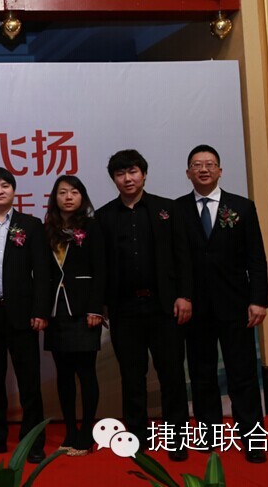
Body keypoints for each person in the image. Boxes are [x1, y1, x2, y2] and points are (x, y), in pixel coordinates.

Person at [96, 149, 192, 462]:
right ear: (114, 179)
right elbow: (100, 266)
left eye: (133, 171)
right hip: (124, 309)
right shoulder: (104, 216)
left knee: (172, 375)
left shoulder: (168, 209)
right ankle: (137, 437)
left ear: (144, 174)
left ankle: (176, 438)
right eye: (120, 174)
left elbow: (183, 256)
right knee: (132, 376)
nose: (127, 178)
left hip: (164, 306)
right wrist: (102, 303)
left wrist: (185, 296)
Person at [174, 144, 268, 463]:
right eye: (197, 165)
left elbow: (256, 259)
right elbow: (175, 261)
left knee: (243, 374)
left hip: (236, 305)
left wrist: (258, 300)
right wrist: (182, 296)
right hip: (195, 308)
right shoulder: (177, 210)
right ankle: (209, 434)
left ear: (220, 170)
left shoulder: (242, 207)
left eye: (210, 164)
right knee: (201, 374)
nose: (203, 169)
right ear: (188, 172)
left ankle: (253, 439)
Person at [0, 167, 50, 464]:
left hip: (23, 315)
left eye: (5, 185)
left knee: (29, 382)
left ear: (14, 190)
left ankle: (33, 441)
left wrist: (40, 310)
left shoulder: (31, 225)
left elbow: (42, 271)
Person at [42, 175, 106, 456]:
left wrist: (96, 308)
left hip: (83, 310)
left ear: (82, 197)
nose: (68, 197)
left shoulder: (92, 227)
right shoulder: (47, 229)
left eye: (74, 192)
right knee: (64, 374)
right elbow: (42, 273)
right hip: (56, 311)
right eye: (62, 192)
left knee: (86, 371)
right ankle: (69, 430)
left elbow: (101, 269)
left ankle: (86, 432)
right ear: (54, 197)